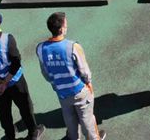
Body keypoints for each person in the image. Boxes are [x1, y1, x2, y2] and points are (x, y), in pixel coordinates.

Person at [0, 7, 45, 140]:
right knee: (25, 106)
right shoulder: (7, 39)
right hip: (15, 82)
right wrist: (5, 82)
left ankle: (10, 135)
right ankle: (33, 132)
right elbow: (16, 63)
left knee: (3, 111)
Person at [37, 12, 106, 140]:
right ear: (61, 29)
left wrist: (56, 84)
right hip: (79, 91)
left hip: (61, 92)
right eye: (65, 25)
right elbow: (84, 71)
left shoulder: (40, 48)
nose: (67, 27)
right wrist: (88, 83)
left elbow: (45, 73)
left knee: (69, 118)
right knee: (87, 119)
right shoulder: (73, 46)